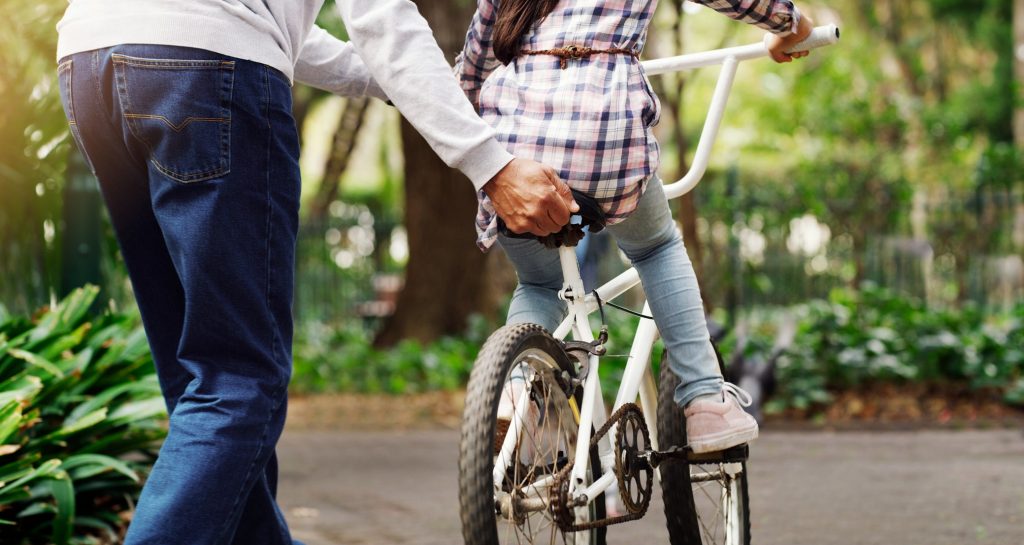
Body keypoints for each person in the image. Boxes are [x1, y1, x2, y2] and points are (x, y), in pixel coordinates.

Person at [55, 1, 580, 543]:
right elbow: (380, 19)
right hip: (204, 73)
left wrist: (421, 86)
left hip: (90, 60)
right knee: (239, 381)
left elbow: (284, 33)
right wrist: (490, 164)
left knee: (200, 382)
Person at [455, 0, 814, 453]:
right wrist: (791, 25)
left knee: (540, 284)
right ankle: (704, 398)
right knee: (656, 247)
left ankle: (510, 391)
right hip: (603, 140)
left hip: (516, 159)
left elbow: (471, 71)